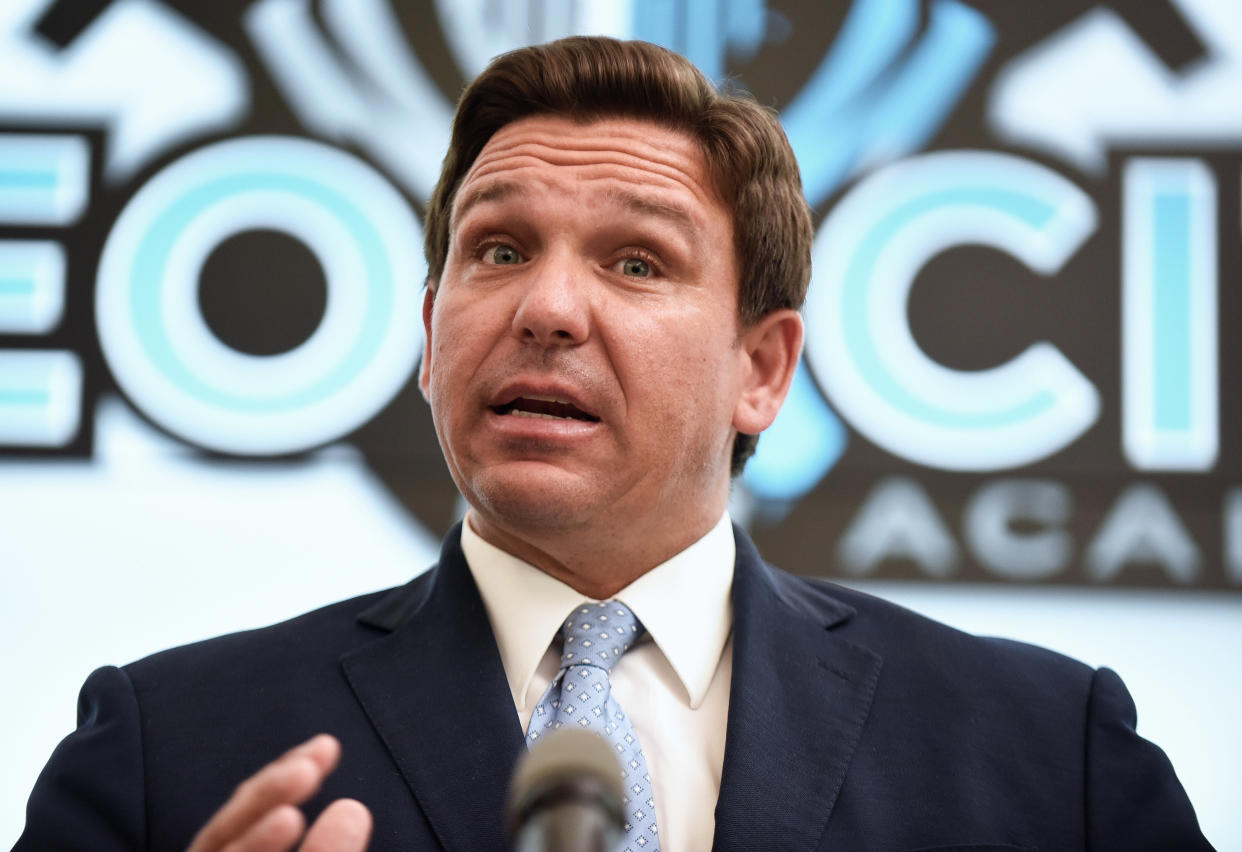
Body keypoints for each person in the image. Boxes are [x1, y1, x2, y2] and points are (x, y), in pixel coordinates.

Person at [18, 36, 1210, 852]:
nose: (545, 308)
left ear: (762, 368)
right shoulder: (168, 750)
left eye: (636, 262)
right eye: (497, 250)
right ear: (433, 337)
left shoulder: (1047, 754)